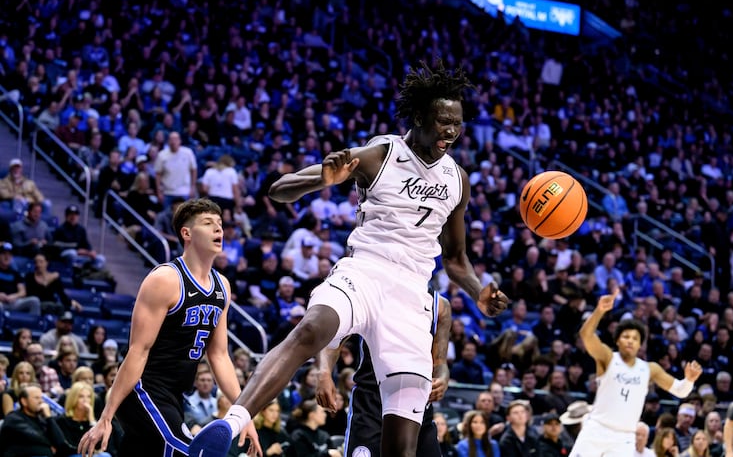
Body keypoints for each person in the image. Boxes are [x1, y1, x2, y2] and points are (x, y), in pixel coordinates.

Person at [190, 61, 509, 457]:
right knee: (311, 330)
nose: (451, 131)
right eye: (443, 121)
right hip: (366, 271)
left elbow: (457, 258)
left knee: (402, 444)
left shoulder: (457, 179)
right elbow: (278, 190)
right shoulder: (382, 153)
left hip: (412, 296)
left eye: (457, 124)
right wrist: (321, 179)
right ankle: (229, 426)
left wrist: (478, 292)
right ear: (419, 116)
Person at [76, 198, 259, 457]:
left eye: (219, 224)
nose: (218, 229)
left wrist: (243, 413)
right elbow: (138, 350)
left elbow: (219, 355)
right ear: (187, 233)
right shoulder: (165, 279)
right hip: (143, 388)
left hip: (174, 394)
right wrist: (107, 415)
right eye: (208, 224)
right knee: (187, 451)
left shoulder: (223, 286)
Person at [568, 287, 703, 457]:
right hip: (596, 429)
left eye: (635, 338)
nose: (630, 341)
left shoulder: (650, 369)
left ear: (641, 344)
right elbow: (586, 335)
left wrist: (689, 380)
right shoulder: (608, 358)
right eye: (626, 337)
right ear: (617, 340)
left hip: (624, 437)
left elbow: (680, 391)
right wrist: (599, 311)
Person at [316, 291, 452, 456]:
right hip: (372, 400)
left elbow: (440, 362)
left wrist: (443, 378)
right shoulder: (371, 291)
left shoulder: (440, 305)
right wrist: (324, 373)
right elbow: (333, 340)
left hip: (416, 403)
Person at [0, 383, 69, 457]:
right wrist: (50, 445)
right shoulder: (13, 418)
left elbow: (61, 442)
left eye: (41, 398)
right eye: (36, 398)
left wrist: (49, 418)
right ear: (24, 401)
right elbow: (34, 435)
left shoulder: (43, 419)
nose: (41, 401)